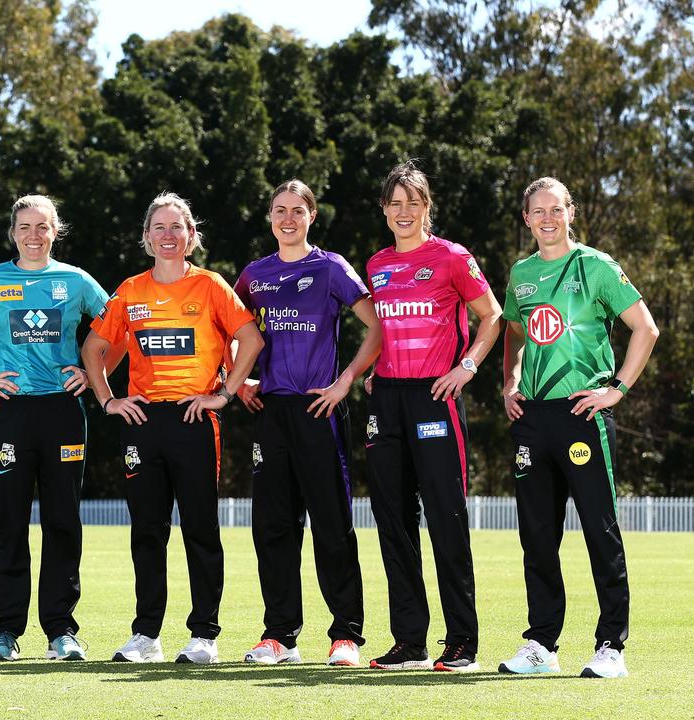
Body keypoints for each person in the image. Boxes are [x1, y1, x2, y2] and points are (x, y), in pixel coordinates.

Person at [82, 192, 264, 665]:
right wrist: (108, 400)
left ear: (191, 236)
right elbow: (92, 350)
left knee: (200, 528)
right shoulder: (129, 291)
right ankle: (146, 635)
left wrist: (223, 394)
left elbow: (251, 339)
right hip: (143, 421)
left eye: (176, 227)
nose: (167, 236)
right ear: (146, 238)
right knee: (147, 531)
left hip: (194, 418)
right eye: (158, 228)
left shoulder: (211, 286)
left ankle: (204, 634)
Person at [0, 194, 109, 662]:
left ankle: (61, 631)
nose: (34, 235)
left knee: (62, 522)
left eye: (43, 226)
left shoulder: (75, 281)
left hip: (64, 413)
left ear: (56, 231)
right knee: (8, 523)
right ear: (13, 233)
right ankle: (5, 632)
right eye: (25, 227)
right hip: (10, 411)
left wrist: (93, 375)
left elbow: (119, 328)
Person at [496, 178, 658, 679]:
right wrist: (510, 384)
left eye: (556, 209)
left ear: (571, 213)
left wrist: (617, 390)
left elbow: (645, 328)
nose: (547, 218)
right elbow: (515, 334)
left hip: (583, 414)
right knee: (537, 537)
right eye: (537, 211)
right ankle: (541, 644)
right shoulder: (521, 274)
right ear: (526, 218)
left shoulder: (595, 266)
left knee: (599, 529)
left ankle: (612, 646)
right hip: (533, 418)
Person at [233, 180, 381, 666]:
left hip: (321, 409)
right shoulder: (255, 275)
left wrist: (346, 382)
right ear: (270, 217)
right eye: (280, 211)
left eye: (298, 210)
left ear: (312, 216)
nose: (289, 219)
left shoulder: (331, 267)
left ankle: (345, 636)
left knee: (332, 524)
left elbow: (378, 325)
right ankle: (280, 635)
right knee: (273, 527)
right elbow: (227, 331)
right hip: (272, 411)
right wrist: (240, 380)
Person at [363, 161, 502, 672]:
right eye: (395, 203)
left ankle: (461, 641)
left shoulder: (451, 257)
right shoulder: (377, 264)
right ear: (384, 210)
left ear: (427, 206)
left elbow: (492, 315)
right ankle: (409, 642)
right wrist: (374, 370)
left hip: (435, 397)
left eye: (413, 202)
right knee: (394, 522)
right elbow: (381, 329)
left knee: (445, 517)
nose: (404, 212)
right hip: (387, 400)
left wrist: (466, 367)